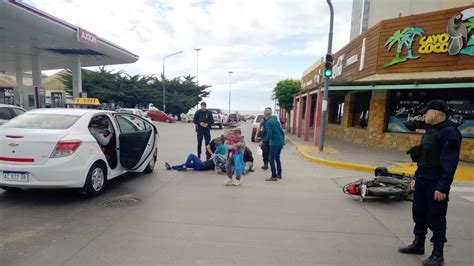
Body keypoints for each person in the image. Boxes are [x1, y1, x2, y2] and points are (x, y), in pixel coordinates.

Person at [399, 100, 462, 266]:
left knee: (436, 217)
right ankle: (418, 243)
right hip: (423, 178)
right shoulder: (431, 131)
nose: (424, 115)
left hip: (436, 181)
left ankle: (438, 254)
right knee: (418, 212)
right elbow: (424, 158)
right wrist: (415, 176)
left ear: (435, 113)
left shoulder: (449, 133)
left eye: (426, 112)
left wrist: (443, 186)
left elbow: (450, 163)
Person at [263, 107, 285, 181]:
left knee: (271, 159)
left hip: (274, 143)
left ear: (264, 114)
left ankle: (274, 176)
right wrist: (282, 141)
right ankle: (279, 174)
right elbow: (282, 132)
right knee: (277, 158)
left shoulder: (268, 122)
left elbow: (270, 135)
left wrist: (262, 141)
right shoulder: (275, 121)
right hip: (280, 142)